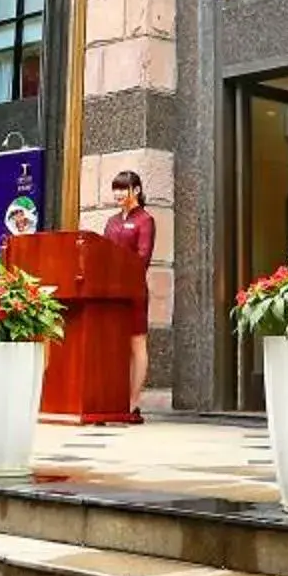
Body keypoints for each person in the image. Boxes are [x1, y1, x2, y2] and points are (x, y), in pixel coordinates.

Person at [103, 171, 156, 411]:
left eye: (123, 189)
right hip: (111, 291)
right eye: (115, 189)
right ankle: (114, 396)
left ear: (136, 190)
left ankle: (133, 401)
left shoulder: (145, 220)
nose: (118, 194)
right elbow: (101, 251)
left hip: (133, 290)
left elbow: (143, 256)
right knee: (113, 343)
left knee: (137, 343)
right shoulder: (112, 221)